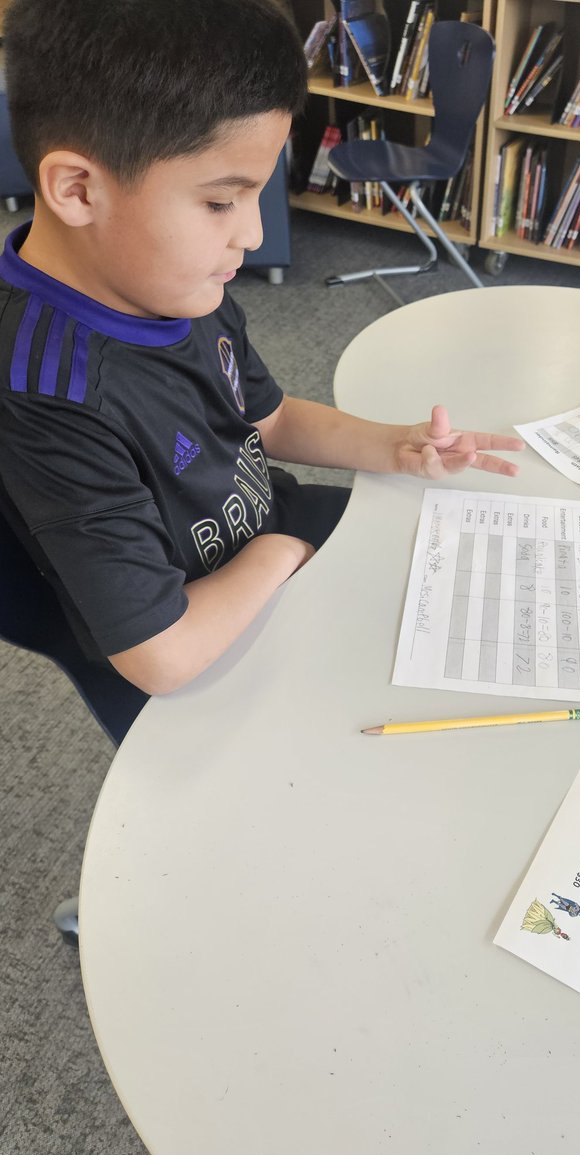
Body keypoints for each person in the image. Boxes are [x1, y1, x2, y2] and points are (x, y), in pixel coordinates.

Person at [0, 0, 522, 697]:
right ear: (77, 188)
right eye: (221, 202)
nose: (248, 235)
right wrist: (280, 553)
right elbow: (159, 656)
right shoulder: (48, 391)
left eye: (257, 195)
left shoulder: (174, 280)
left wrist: (394, 446)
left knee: (477, 588)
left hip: (272, 540)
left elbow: (264, 417)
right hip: (208, 638)